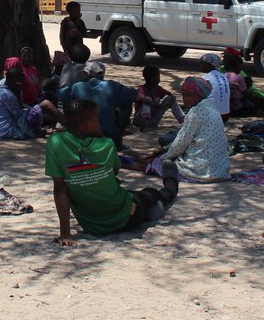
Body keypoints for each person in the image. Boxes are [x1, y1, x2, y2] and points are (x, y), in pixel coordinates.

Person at [47, 98, 179, 246]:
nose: (99, 123)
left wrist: (65, 234)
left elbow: (60, 188)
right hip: (126, 217)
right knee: (150, 193)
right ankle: (171, 184)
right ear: (86, 124)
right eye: (97, 120)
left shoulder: (54, 143)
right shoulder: (106, 144)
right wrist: (100, 135)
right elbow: (115, 170)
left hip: (92, 225)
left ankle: (152, 208)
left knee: (133, 195)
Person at [143, 76, 231, 182]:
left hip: (201, 171)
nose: (184, 98)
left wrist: (164, 156)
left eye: (188, 95)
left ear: (200, 95)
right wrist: (164, 149)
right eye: (183, 95)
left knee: (156, 163)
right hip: (221, 170)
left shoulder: (195, 112)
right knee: (169, 143)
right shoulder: (212, 108)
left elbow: (181, 143)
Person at [58, 61, 138, 149]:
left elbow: (61, 95)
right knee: (125, 103)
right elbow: (134, 95)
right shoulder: (112, 86)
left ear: (87, 74)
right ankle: (118, 139)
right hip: (108, 133)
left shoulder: (77, 87)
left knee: (70, 104)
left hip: (82, 132)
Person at [0, 67, 64, 140]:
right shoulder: (8, 95)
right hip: (5, 130)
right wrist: (18, 93)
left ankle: (59, 122)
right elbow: (19, 116)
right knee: (46, 104)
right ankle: (69, 126)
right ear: (15, 82)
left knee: (39, 112)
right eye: (21, 82)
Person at [222, 48, 264, 116]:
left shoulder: (223, 76)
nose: (240, 69)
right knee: (256, 105)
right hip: (237, 107)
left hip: (227, 106)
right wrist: (248, 86)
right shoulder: (237, 77)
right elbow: (246, 93)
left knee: (255, 100)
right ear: (235, 66)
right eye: (240, 67)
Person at [133, 65, 184, 130]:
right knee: (148, 99)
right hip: (140, 119)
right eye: (158, 77)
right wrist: (157, 105)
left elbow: (171, 96)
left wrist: (168, 101)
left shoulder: (157, 89)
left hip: (153, 119)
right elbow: (144, 99)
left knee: (170, 99)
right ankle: (145, 124)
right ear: (152, 78)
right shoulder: (141, 88)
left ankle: (183, 120)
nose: (159, 79)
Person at [198, 52, 237, 120]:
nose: (201, 66)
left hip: (211, 116)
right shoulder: (224, 76)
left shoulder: (205, 78)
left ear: (210, 65)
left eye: (203, 63)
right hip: (225, 115)